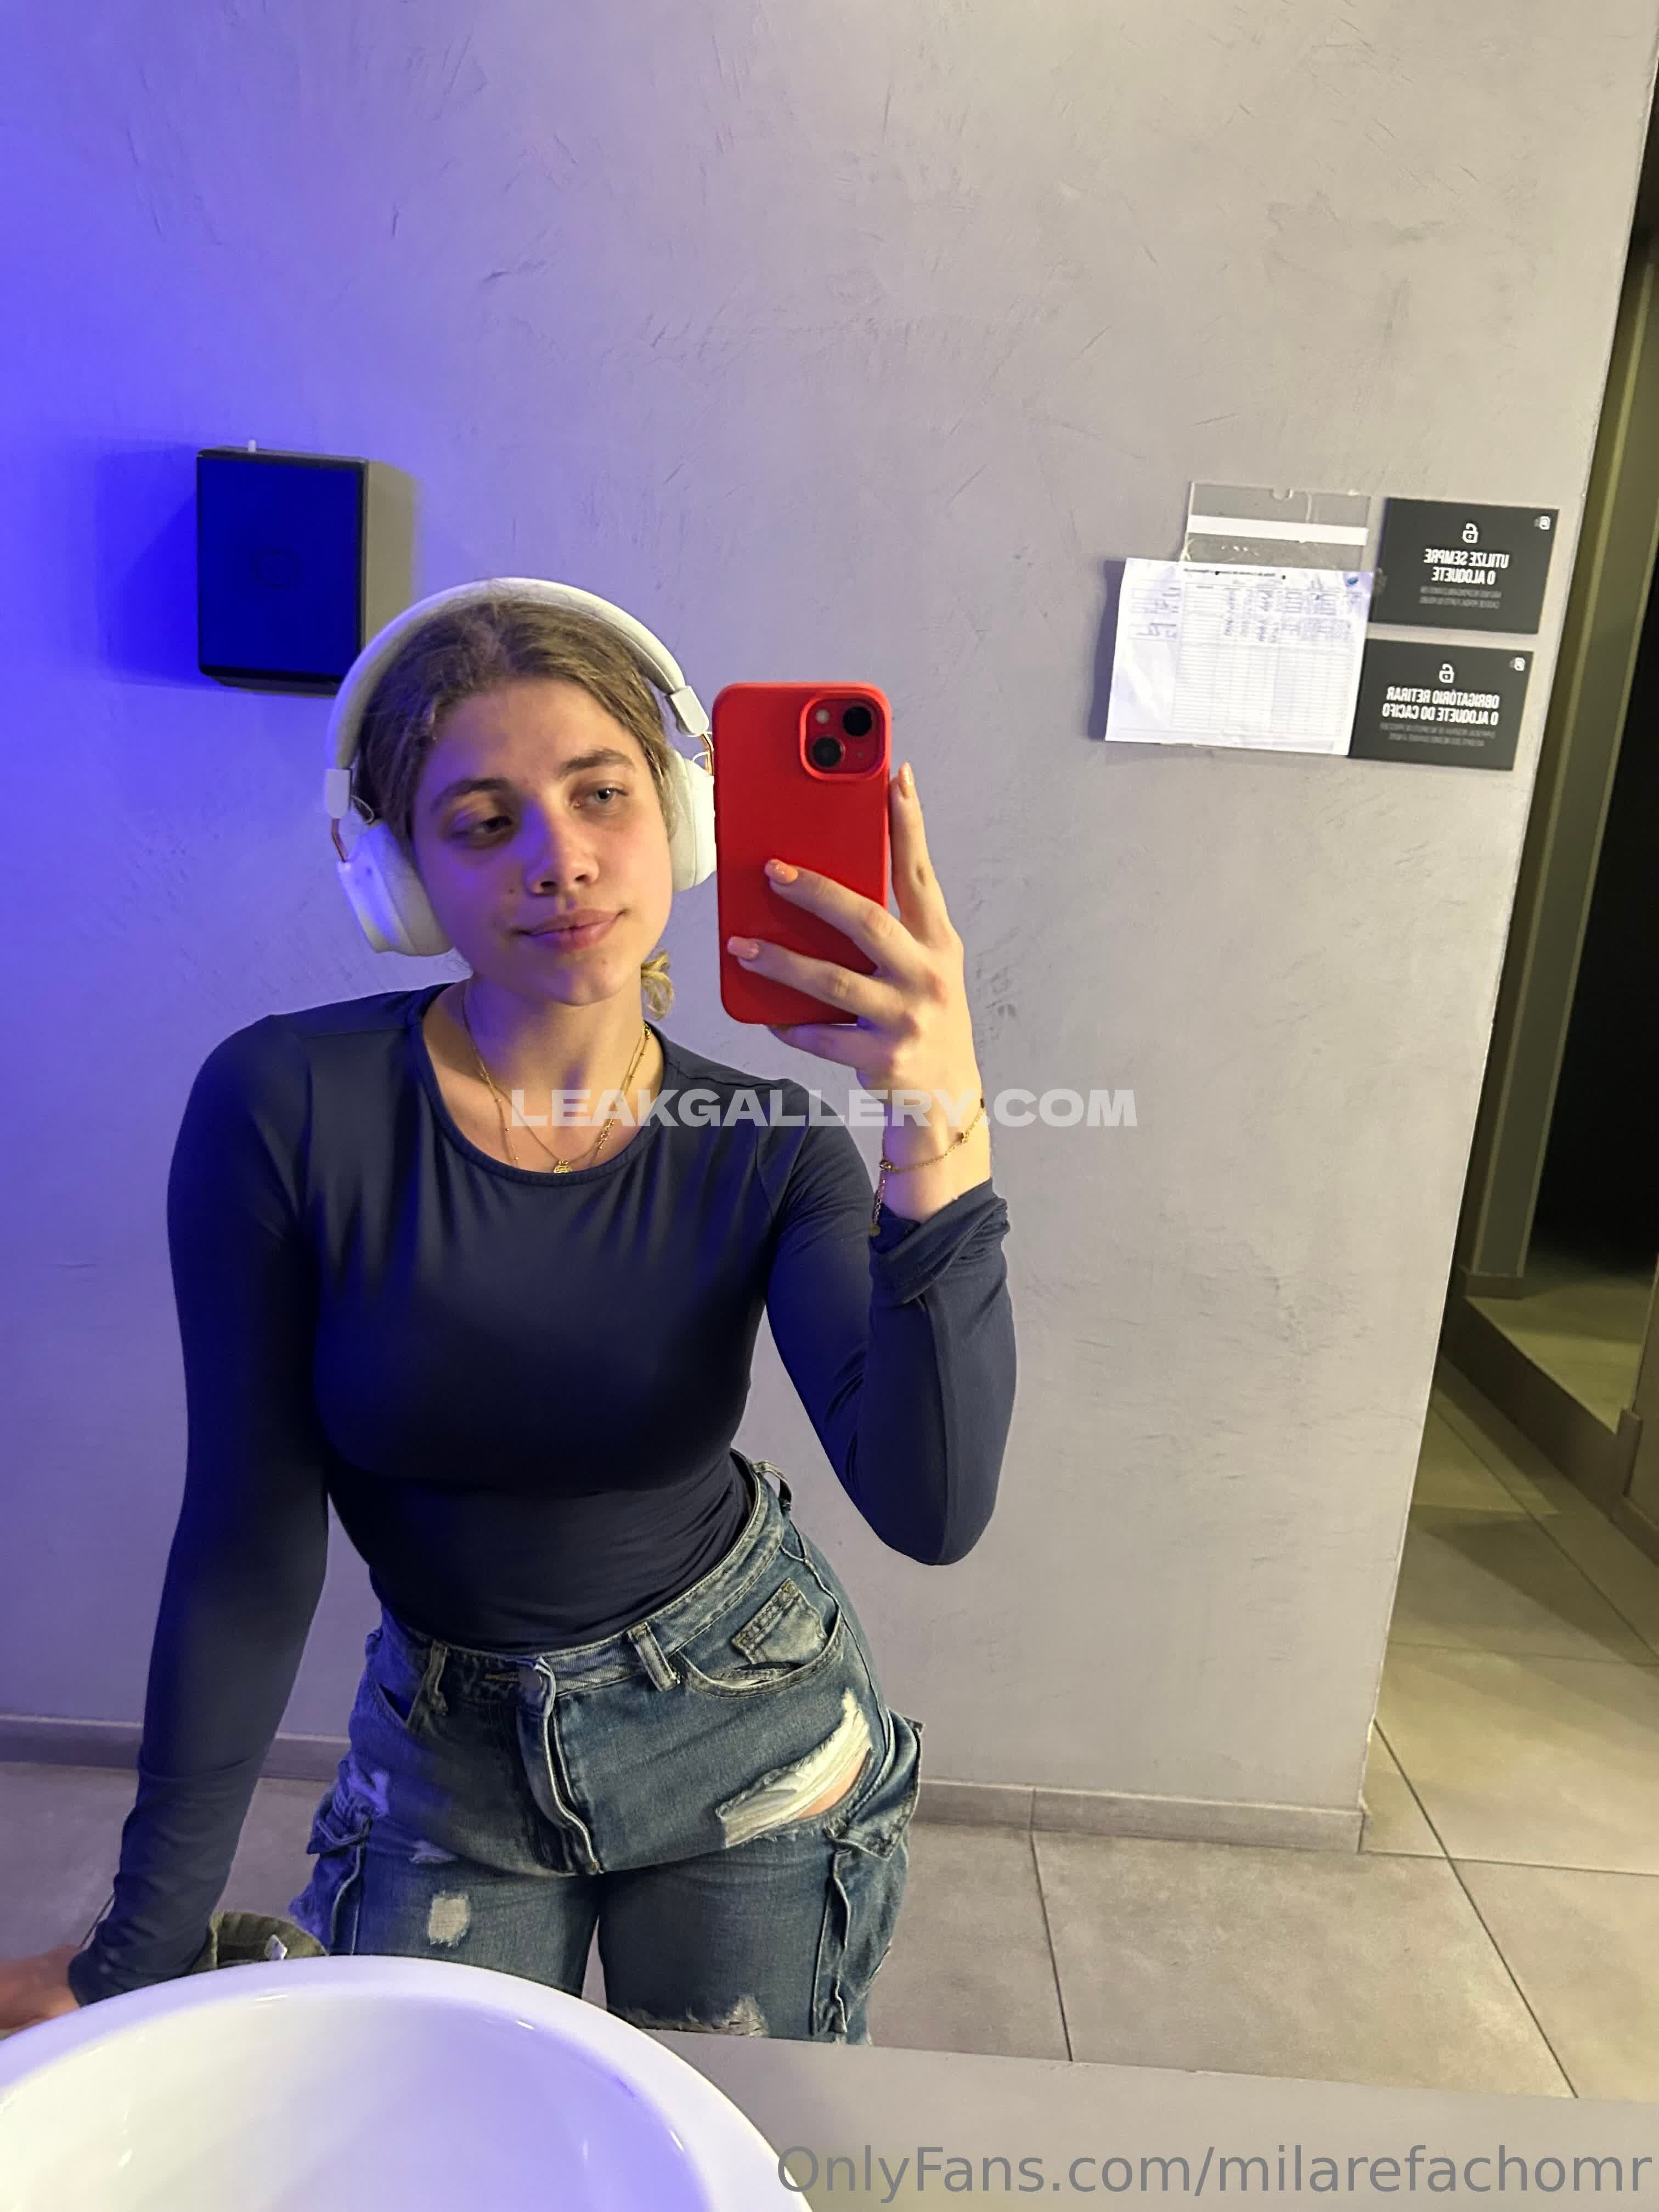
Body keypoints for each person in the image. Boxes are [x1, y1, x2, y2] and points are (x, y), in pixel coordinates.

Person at [0, 591, 1015, 2043]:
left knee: (727, 2139)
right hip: (447, 1746)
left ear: (678, 819)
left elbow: (933, 1503)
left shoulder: (771, 1144)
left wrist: (941, 1120)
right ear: (402, 877)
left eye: (602, 794)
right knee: (428, 2136)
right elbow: (247, 1539)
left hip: (750, 1726)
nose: (562, 859)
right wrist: (135, 1949)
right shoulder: (284, 1108)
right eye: (485, 823)